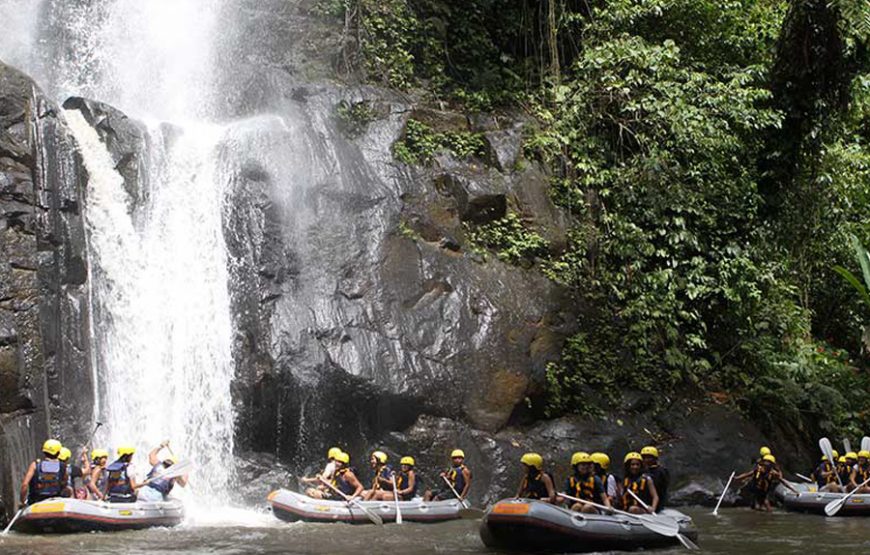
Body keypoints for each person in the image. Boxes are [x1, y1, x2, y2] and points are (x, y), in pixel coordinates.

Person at [19, 439, 72, 505]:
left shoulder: (35, 465)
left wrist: (22, 501)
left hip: (36, 502)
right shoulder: (63, 467)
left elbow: (24, 485)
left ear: (44, 452)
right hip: (56, 503)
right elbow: (65, 486)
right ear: (58, 453)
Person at [641, 446, 669, 512]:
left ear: (655, 458)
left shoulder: (661, 471)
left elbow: (662, 488)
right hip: (644, 501)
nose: (646, 460)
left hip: (657, 501)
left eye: (649, 457)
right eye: (644, 457)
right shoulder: (642, 471)